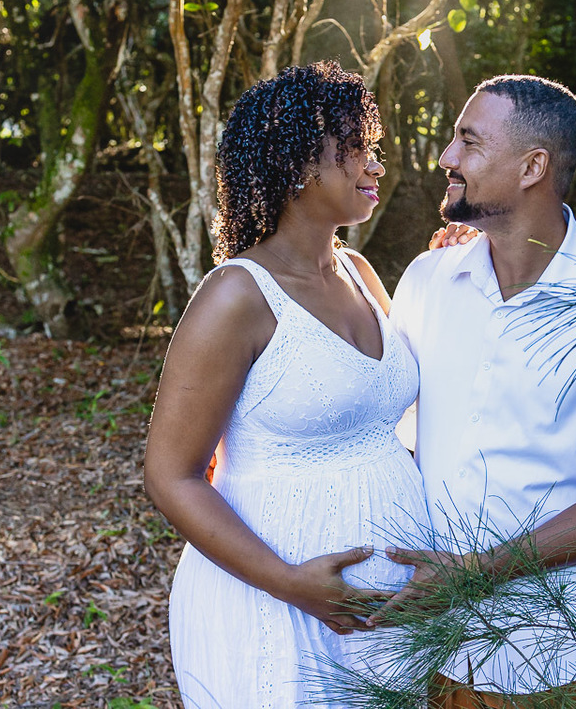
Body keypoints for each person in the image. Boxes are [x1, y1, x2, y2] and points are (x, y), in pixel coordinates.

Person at [380, 75, 576, 706]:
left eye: (468, 141)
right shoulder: (428, 279)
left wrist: (474, 575)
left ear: (532, 167)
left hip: (545, 659)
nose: (446, 159)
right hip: (417, 647)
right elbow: (395, 432)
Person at [144, 61, 440, 708]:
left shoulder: (360, 272)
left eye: (374, 148)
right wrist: (290, 581)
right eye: (357, 148)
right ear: (301, 162)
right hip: (276, 610)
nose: (376, 166)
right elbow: (170, 475)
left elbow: (398, 410)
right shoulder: (235, 296)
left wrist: (465, 254)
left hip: (384, 624)